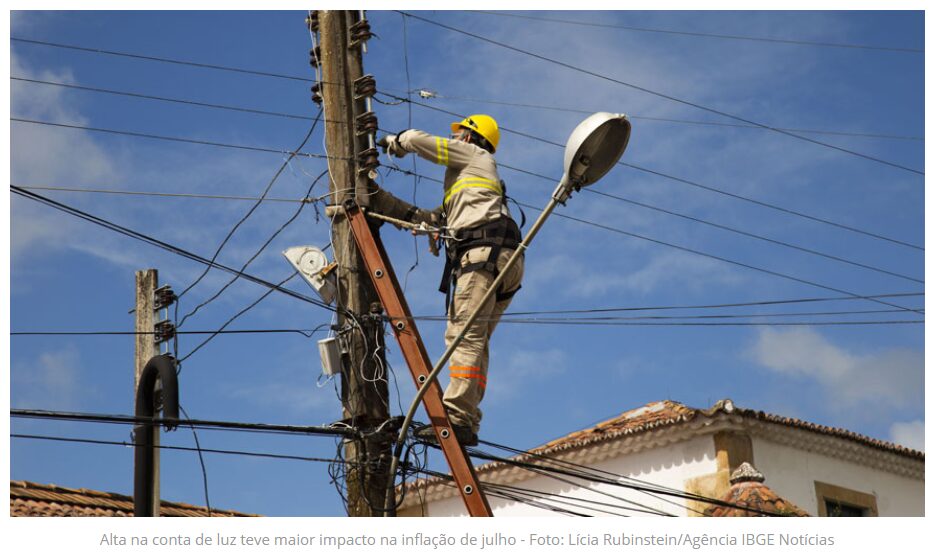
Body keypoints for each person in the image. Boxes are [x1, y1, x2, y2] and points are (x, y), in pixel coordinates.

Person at [376, 115, 523, 446]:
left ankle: (456, 418)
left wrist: (394, 142)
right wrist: (380, 199)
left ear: (471, 138)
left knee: (463, 335)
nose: (454, 138)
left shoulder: (476, 157)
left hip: (484, 255)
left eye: (459, 134)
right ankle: (467, 419)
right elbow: (428, 220)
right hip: (503, 260)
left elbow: (418, 140)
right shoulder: (466, 187)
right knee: (477, 340)